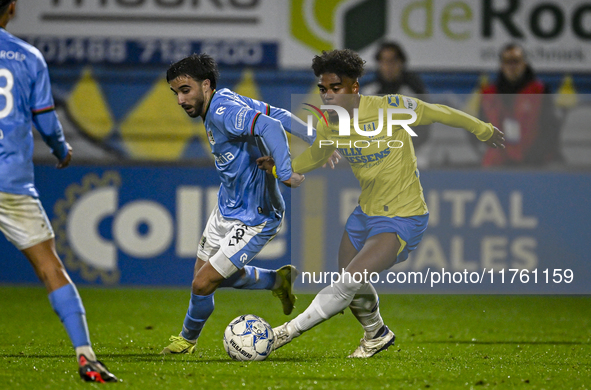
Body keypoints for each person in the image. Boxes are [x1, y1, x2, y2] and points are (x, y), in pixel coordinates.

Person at [257, 49, 504, 358]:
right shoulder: (329, 124)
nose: (328, 96)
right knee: (350, 281)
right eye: (323, 89)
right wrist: (281, 166)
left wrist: (483, 130)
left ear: (354, 88)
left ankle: (284, 333)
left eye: (336, 88)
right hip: (365, 215)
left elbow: (440, 112)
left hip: (404, 217)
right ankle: (376, 333)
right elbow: (317, 157)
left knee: (347, 283)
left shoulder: (391, 108)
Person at [0, 0, 117, 383]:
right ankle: (85, 357)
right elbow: (47, 123)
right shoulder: (27, 56)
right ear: (12, 7)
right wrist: (61, 149)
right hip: (11, 180)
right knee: (51, 268)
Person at [160, 53, 306, 355]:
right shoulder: (224, 98)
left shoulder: (223, 111)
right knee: (204, 279)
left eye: (185, 90)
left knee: (202, 284)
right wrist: (317, 136)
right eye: (176, 93)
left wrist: (286, 172)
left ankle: (186, 340)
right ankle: (277, 280)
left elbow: (271, 127)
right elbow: (275, 112)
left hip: (256, 216)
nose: (180, 100)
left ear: (206, 85)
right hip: (226, 208)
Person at [475, 43, 561, 167]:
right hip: (497, 163)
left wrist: (537, 156)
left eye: (516, 61)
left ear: (524, 63)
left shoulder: (539, 91)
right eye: (507, 62)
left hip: (532, 162)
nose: (511, 66)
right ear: (501, 64)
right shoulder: (488, 94)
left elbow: (549, 128)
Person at [364, 41, 431, 150]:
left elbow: (423, 131)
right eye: (384, 61)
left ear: (401, 63)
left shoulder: (413, 93)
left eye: (392, 61)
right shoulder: (369, 92)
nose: (388, 66)